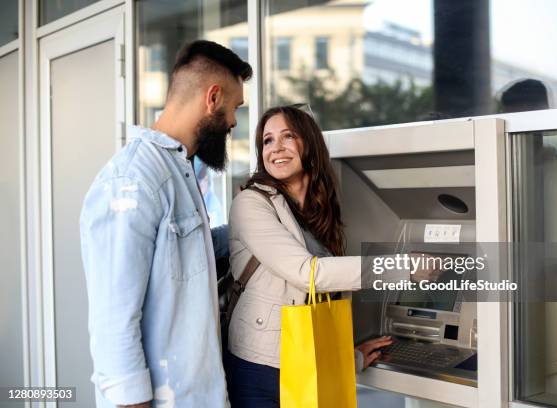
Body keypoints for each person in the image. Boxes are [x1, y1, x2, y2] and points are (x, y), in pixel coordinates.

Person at [80, 40, 251, 408]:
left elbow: (190, 253)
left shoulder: (180, 171)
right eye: (235, 107)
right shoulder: (131, 181)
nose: (234, 121)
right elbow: (114, 323)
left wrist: (255, 225)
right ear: (213, 97)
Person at [225, 105, 392, 407]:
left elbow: (318, 305)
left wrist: (349, 358)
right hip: (259, 368)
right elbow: (308, 274)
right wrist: (398, 269)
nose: (276, 148)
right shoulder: (251, 203)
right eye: (267, 140)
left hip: (304, 363)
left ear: (309, 145)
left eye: (288, 137)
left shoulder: (319, 213)